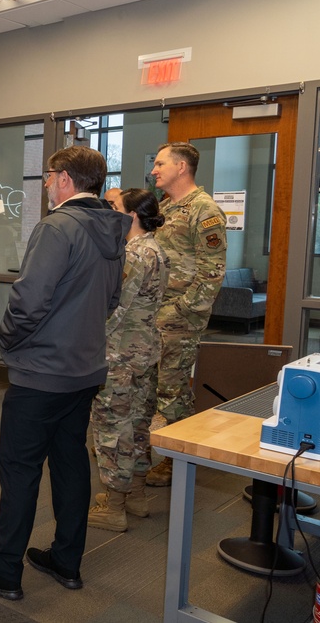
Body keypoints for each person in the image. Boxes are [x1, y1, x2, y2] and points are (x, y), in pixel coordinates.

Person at [0, 146, 129, 601]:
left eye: (49, 176)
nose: (46, 184)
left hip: (43, 372)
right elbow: (111, 300)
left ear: (66, 179)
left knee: (19, 468)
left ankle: (5, 570)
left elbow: (30, 300)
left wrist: (8, 340)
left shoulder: (58, 226)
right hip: (86, 368)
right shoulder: (113, 227)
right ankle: (66, 560)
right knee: (70, 462)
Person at [88, 189, 170, 532]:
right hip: (144, 351)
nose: (110, 212)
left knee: (113, 428)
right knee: (138, 427)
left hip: (120, 353)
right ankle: (135, 495)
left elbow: (114, 308)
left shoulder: (135, 255)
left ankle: (115, 506)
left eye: (115, 208)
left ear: (132, 215)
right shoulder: (158, 249)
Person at [146, 142, 227, 486]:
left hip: (179, 318)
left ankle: (177, 461)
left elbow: (213, 272)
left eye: (160, 163)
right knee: (155, 386)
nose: (154, 170)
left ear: (181, 167)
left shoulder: (203, 210)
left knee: (173, 389)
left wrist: (179, 310)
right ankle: (164, 450)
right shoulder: (167, 207)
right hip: (155, 314)